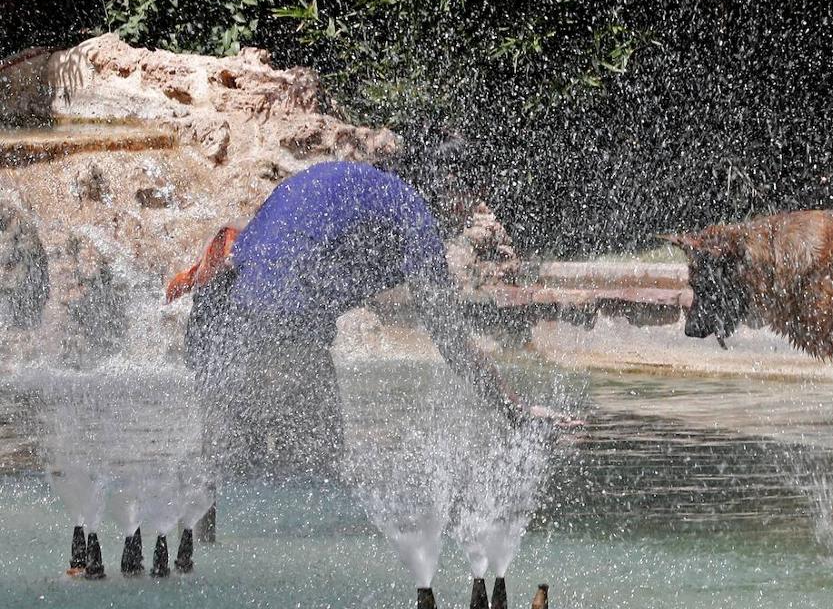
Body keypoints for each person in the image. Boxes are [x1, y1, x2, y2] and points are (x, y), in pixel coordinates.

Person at [165, 160, 563, 479]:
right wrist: (512, 408)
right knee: (315, 472)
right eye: (476, 200)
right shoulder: (413, 215)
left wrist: (190, 280)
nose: (480, 212)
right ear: (452, 190)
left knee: (226, 471)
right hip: (283, 328)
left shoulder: (357, 183)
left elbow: (230, 239)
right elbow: (450, 338)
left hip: (220, 319)